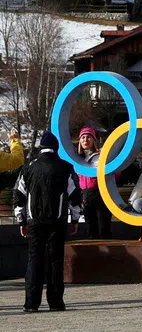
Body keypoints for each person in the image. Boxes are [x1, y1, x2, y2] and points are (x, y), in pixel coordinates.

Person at [13, 131, 80, 314]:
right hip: (57, 221)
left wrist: (22, 221)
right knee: (55, 261)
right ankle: (56, 302)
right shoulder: (65, 167)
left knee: (34, 260)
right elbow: (74, 196)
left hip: (34, 221)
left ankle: (31, 303)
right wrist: (74, 219)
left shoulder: (28, 167)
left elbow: (18, 195)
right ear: (56, 148)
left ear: (40, 148)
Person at [75, 125, 113, 239]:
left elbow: (112, 174)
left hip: (101, 194)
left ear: (94, 140)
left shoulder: (101, 156)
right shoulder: (78, 158)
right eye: (83, 137)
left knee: (103, 229)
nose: (85, 140)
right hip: (86, 196)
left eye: (88, 137)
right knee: (90, 230)